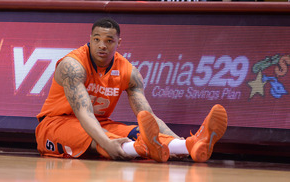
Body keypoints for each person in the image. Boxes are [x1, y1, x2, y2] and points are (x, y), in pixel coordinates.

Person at [35, 17, 228, 162]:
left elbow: (147, 115)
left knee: (136, 131)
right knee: (104, 138)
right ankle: (143, 148)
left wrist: (177, 141)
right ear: (90, 39)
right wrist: (106, 142)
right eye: (97, 39)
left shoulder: (129, 72)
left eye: (109, 40)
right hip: (56, 124)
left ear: (119, 43)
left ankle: (190, 145)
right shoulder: (72, 66)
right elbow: (83, 113)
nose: (102, 45)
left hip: (101, 123)